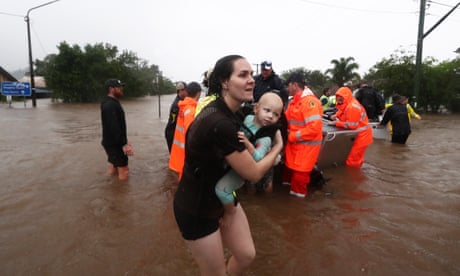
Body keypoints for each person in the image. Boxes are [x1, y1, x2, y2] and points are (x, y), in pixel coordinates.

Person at [173, 55, 283, 276]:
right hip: (197, 207)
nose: (251, 79)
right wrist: (278, 147)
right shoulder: (219, 123)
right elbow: (253, 174)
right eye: (243, 75)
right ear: (224, 82)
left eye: (251, 74)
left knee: (246, 255)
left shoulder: (233, 112)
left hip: (224, 195)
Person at [214, 91, 284, 203]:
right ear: (256, 108)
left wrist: (248, 144)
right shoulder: (247, 118)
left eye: (275, 114)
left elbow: (258, 159)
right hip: (237, 159)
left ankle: (232, 212)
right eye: (267, 110)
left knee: (222, 190)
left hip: (250, 167)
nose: (270, 116)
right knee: (247, 188)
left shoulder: (265, 138)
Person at [282, 73, 323, 198]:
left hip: (306, 147)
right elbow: (286, 119)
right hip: (294, 146)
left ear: (295, 85)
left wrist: (291, 136)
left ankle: (297, 205)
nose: (287, 89)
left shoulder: (310, 102)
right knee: (288, 173)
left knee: (300, 177)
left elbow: (313, 128)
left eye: (288, 85)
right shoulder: (295, 101)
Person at [328, 86, 373, 167]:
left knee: (352, 161)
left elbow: (352, 125)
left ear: (347, 96)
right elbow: (343, 109)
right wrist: (336, 115)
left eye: (341, 97)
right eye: (337, 97)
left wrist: (336, 123)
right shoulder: (349, 103)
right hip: (358, 135)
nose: (339, 99)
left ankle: (354, 176)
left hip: (361, 137)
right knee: (355, 158)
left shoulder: (352, 107)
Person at [100, 79, 134, 181]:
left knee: (114, 167)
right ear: (111, 89)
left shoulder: (108, 102)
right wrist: (124, 144)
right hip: (115, 144)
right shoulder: (110, 105)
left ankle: (109, 190)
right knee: (124, 170)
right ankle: (122, 194)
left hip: (109, 142)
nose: (121, 89)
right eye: (119, 87)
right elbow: (114, 126)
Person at [169, 82, 202, 177]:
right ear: (199, 93)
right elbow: (191, 135)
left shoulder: (183, 106)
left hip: (179, 154)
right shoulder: (190, 111)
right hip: (184, 156)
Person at [165, 81, 188, 153]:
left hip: (176, 133)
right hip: (172, 133)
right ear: (179, 91)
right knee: (175, 156)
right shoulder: (177, 105)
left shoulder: (183, 101)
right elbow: (174, 122)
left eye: (186, 90)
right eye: (184, 90)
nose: (186, 92)